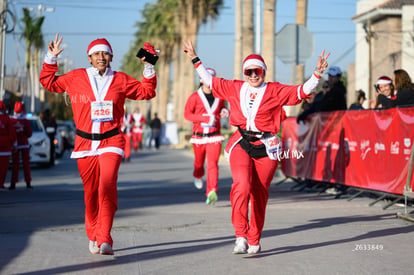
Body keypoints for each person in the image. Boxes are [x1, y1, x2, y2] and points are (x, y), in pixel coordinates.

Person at [183, 40, 329, 254]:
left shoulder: (275, 90)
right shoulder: (234, 87)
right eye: (249, 71)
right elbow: (210, 81)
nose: (253, 75)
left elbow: (300, 92)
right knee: (241, 186)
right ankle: (240, 235)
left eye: (257, 71)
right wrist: (195, 58)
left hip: (267, 146)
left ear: (263, 71)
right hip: (241, 142)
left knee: (259, 195)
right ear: (244, 73)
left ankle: (254, 238)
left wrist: (316, 73)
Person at [39, 33, 157, 255]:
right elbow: (49, 82)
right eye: (97, 54)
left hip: (111, 140)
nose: (101, 57)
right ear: (89, 57)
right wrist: (50, 58)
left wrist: (149, 67)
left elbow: (147, 91)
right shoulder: (76, 77)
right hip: (84, 143)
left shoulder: (120, 79)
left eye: (105, 53)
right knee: (91, 194)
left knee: (107, 186)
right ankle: (93, 234)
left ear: (111, 57)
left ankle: (105, 238)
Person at [184, 67, 229, 205]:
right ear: (201, 79)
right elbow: (187, 115)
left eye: (211, 78)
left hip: (214, 136)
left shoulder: (219, 97)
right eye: (205, 78)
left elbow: (224, 108)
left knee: (212, 164)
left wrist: (224, 112)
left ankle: (212, 191)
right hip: (198, 136)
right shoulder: (194, 97)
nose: (208, 80)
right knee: (199, 163)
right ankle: (198, 174)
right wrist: (203, 118)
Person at [9, 101, 33, 190]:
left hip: (15, 145)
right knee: (26, 164)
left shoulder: (11, 120)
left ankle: (13, 184)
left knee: (15, 164)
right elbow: (29, 133)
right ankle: (28, 183)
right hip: (24, 144)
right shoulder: (25, 121)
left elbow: (10, 133)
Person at [0, 100, 17, 190]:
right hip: (5, 147)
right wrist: (14, 144)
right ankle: (1, 183)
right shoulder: (6, 119)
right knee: (3, 168)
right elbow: (11, 133)